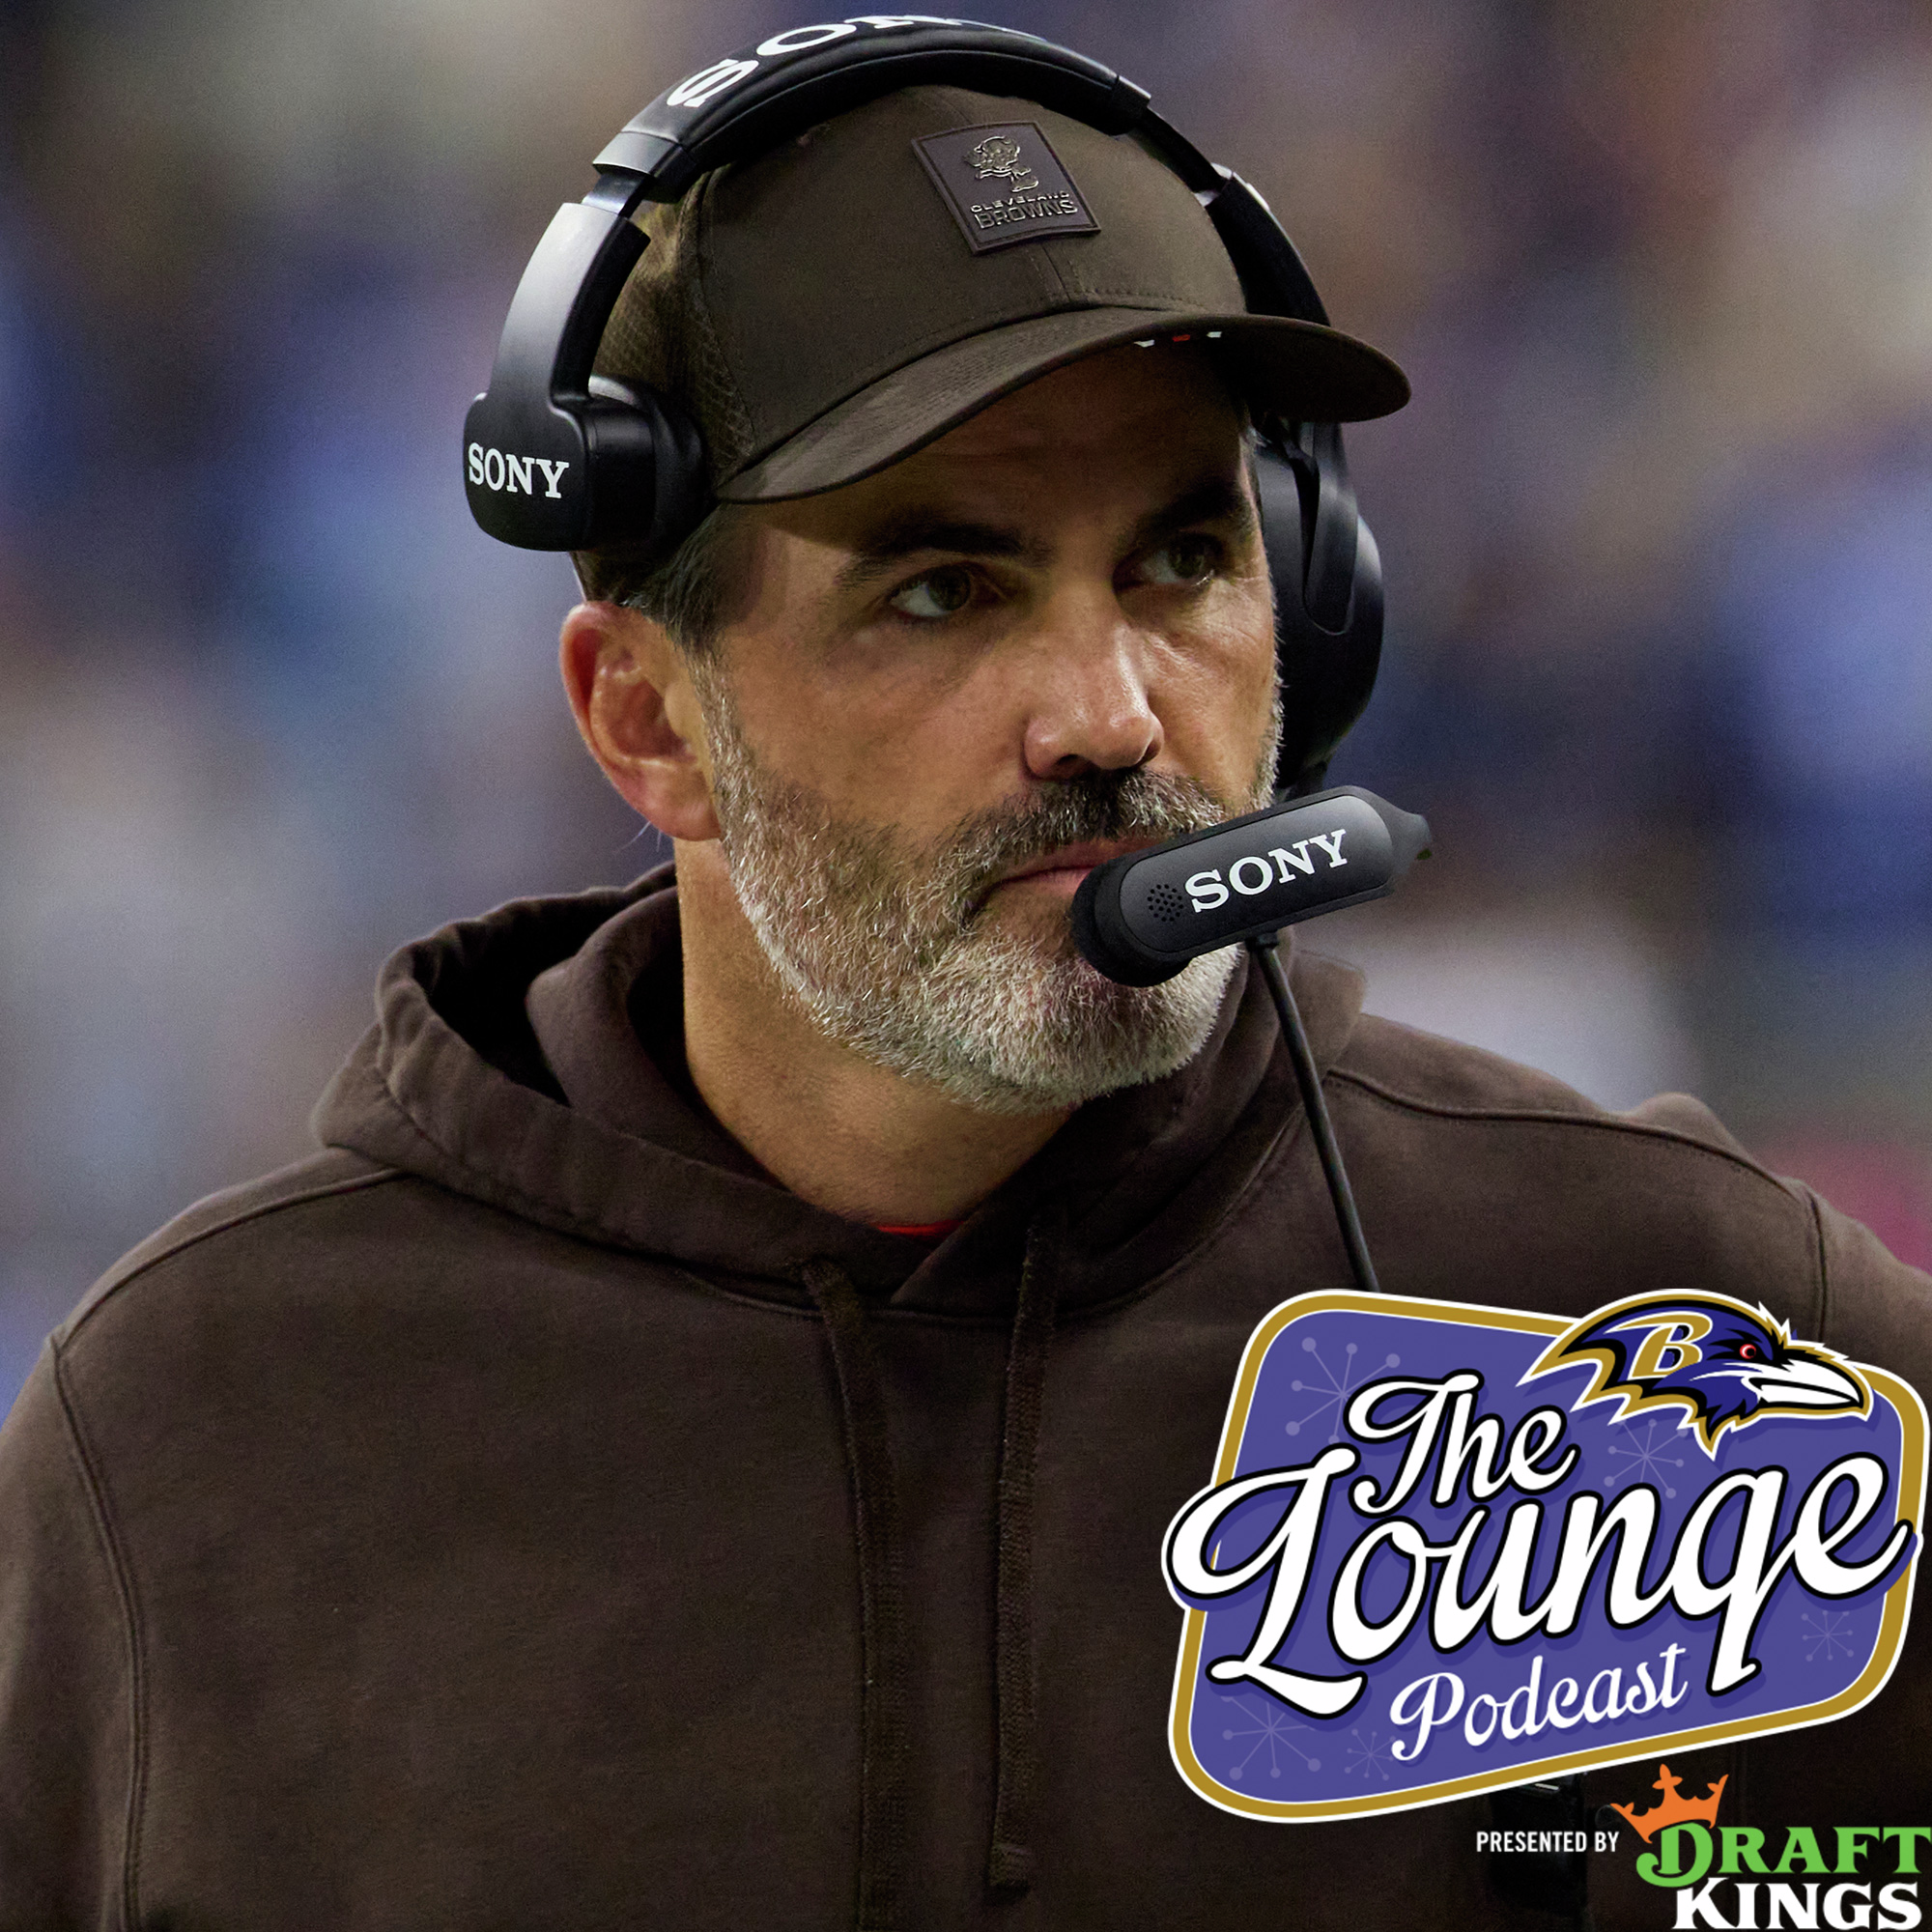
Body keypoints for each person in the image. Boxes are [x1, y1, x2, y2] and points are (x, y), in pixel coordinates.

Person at [1, 32, 1927, 1932]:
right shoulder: (197, 1438)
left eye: (1183, 559)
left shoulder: (1683, 1331)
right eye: (942, 590)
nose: (1109, 715)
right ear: (648, 721)